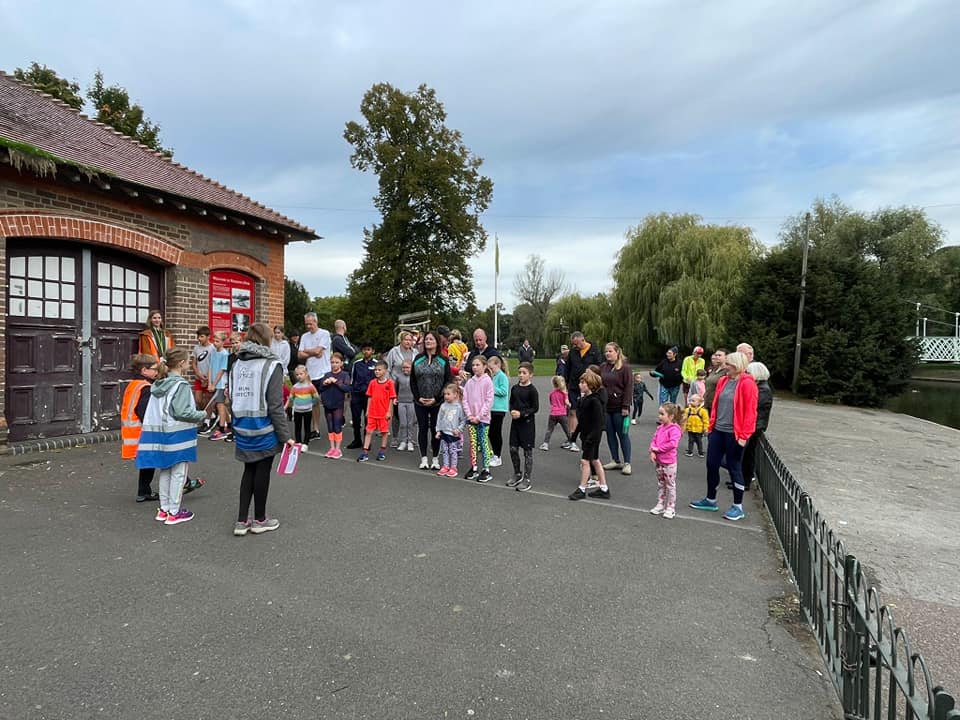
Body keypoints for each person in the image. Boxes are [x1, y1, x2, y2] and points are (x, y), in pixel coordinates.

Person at [230, 322, 294, 536]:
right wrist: (286, 437)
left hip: (241, 425)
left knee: (248, 470)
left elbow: (231, 396)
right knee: (262, 472)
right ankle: (259, 519)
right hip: (264, 427)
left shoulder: (237, 364)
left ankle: (241, 521)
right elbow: (275, 404)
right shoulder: (271, 365)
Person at [136, 347, 206, 526]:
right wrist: (201, 415)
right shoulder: (180, 385)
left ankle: (164, 508)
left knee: (165, 470)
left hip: (159, 435)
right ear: (182, 364)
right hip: (177, 436)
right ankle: (174, 511)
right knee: (179, 474)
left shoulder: (158, 384)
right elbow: (183, 412)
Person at [689, 351, 758, 522]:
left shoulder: (747, 384)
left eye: (728, 364)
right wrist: (711, 427)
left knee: (735, 467)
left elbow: (751, 412)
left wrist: (744, 436)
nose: (725, 367)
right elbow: (716, 404)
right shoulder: (723, 381)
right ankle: (711, 499)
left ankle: (738, 506)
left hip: (734, 433)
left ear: (736, 366)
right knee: (712, 464)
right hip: (718, 430)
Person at [121, 353, 161, 502]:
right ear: (144, 370)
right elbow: (144, 411)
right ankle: (185, 482)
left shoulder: (133, 385)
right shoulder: (145, 387)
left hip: (132, 431)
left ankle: (143, 491)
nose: (157, 372)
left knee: (148, 461)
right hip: (141, 431)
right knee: (158, 458)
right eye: (154, 369)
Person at [409, 330, 453, 470]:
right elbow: (412, 381)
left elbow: (448, 381)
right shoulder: (417, 359)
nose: (428, 341)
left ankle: (435, 458)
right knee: (422, 428)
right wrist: (418, 397)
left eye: (431, 339)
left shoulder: (443, 359)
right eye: (426, 339)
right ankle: (423, 458)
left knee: (436, 429)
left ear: (436, 342)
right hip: (420, 401)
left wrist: (437, 398)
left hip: (437, 402)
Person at [567, 369, 608, 500]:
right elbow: (582, 420)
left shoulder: (594, 401)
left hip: (592, 437)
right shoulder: (584, 400)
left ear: (590, 385)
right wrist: (574, 436)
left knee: (585, 461)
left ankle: (582, 488)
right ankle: (604, 488)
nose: (580, 384)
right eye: (580, 382)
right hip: (587, 435)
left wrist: (591, 438)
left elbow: (599, 423)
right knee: (595, 460)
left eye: (583, 382)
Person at [599, 342, 634, 475]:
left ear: (617, 352)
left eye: (610, 351)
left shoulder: (625, 368)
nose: (607, 353)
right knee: (610, 434)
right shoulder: (603, 367)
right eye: (606, 351)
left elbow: (629, 388)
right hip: (606, 407)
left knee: (623, 434)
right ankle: (615, 459)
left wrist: (625, 406)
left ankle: (627, 463)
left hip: (620, 408)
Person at [738, 361, 774, 491]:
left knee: (748, 454)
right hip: (754, 424)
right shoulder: (759, 387)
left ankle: (745, 481)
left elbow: (754, 405)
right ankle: (741, 479)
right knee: (745, 454)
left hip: (756, 426)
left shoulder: (763, 390)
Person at [563, 331, 602, 441]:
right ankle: (571, 437)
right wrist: (566, 383)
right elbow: (567, 368)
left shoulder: (594, 351)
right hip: (574, 385)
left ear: (582, 340)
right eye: (573, 344)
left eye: (576, 344)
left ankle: (587, 436)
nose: (575, 346)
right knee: (572, 411)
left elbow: (598, 368)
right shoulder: (573, 352)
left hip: (589, 386)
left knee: (586, 413)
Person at [298, 312, 331, 438]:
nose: (308, 326)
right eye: (306, 324)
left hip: (323, 372)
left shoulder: (324, 334)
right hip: (310, 373)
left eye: (310, 324)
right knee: (313, 403)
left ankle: (333, 428)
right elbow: (300, 355)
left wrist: (307, 351)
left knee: (327, 402)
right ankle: (315, 429)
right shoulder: (304, 336)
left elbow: (319, 351)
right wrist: (312, 352)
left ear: (316, 322)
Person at [507, 362, 539, 492]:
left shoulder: (532, 390)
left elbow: (535, 408)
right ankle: (517, 473)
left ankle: (527, 478)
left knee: (527, 452)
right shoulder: (515, 388)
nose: (521, 375)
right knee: (513, 449)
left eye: (524, 373)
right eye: (519, 372)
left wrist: (522, 413)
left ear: (530, 375)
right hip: (516, 424)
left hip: (527, 424)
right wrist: (512, 411)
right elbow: (511, 403)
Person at [462, 354, 494, 483]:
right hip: (471, 419)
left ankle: (486, 469)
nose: (475, 367)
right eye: (473, 365)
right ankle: (474, 467)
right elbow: (465, 399)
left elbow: (489, 401)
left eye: (477, 365)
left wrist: (479, 416)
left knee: (483, 443)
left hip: (483, 420)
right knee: (473, 444)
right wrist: (470, 415)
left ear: (484, 366)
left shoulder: (487, 381)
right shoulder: (469, 382)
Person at [357, 359, 396, 462]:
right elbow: (369, 397)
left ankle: (382, 451)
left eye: (379, 370)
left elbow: (391, 398)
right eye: (375, 370)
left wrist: (389, 412)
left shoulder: (390, 383)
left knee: (384, 432)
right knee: (368, 431)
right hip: (373, 413)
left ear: (385, 371)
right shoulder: (372, 383)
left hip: (383, 413)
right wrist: (368, 410)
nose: (377, 372)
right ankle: (365, 452)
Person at [649, 402, 683, 519]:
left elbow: (673, 444)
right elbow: (654, 440)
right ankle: (660, 504)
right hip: (659, 462)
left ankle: (670, 507)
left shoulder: (675, 429)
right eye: (659, 414)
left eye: (662, 414)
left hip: (669, 462)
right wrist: (653, 451)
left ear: (671, 416)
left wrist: (658, 449)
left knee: (670, 485)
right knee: (661, 484)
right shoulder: (660, 428)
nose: (659, 416)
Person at [318, 352, 351, 458]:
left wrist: (336, 381)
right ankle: (331, 448)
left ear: (341, 363)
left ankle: (338, 449)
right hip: (327, 403)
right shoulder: (327, 375)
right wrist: (325, 383)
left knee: (337, 426)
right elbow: (320, 388)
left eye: (337, 362)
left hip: (338, 404)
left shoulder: (345, 375)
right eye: (332, 362)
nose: (334, 364)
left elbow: (347, 388)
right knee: (330, 426)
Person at [348, 342, 378, 449]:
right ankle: (357, 440)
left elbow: (378, 381)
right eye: (364, 349)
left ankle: (367, 441)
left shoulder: (376, 364)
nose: (366, 351)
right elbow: (352, 379)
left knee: (368, 419)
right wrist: (350, 394)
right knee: (356, 419)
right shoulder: (356, 364)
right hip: (356, 395)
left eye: (369, 349)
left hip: (369, 397)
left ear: (373, 351)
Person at [435, 383, 467, 477]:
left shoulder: (458, 407)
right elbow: (439, 419)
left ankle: (453, 467)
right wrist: (438, 430)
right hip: (444, 433)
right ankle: (445, 466)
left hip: (453, 434)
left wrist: (459, 429)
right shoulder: (443, 406)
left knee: (453, 451)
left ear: (455, 394)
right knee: (444, 450)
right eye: (445, 394)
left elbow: (463, 420)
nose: (446, 396)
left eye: (448, 394)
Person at [287, 364, 319, 450]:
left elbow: (316, 397)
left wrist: (312, 404)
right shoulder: (295, 387)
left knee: (307, 427)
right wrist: (290, 405)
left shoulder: (310, 386)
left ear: (306, 374)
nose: (299, 376)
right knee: (297, 427)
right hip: (297, 410)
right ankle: (298, 442)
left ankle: (305, 443)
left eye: (301, 374)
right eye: (297, 375)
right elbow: (291, 398)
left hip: (308, 410)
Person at [206, 332, 231, 441]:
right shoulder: (213, 352)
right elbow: (210, 368)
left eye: (217, 341)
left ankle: (221, 429)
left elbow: (221, 371)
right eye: (214, 341)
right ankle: (230, 424)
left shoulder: (225, 354)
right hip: (214, 383)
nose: (215, 343)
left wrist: (214, 384)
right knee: (221, 406)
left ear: (223, 342)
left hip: (221, 383)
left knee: (220, 406)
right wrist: (209, 383)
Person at [488, 355, 509, 468]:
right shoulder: (493, 377)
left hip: (499, 409)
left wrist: (492, 388)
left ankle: (498, 456)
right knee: (491, 432)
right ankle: (494, 453)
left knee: (496, 432)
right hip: (491, 408)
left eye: (492, 368)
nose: (490, 370)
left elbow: (504, 391)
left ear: (498, 365)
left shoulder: (502, 376)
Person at [540, 375, 572, 450]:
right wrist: (569, 406)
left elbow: (551, 402)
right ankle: (571, 441)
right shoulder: (564, 394)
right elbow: (567, 403)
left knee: (550, 429)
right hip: (562, 414)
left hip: (553, 413)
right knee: (566, 429)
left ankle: (545, 443)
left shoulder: (552, 393)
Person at [192, 326, 215, 431]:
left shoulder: (213, 348)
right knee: (198, 400)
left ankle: (207, 421)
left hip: (209, 379)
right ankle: (212, 415)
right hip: (199, 378)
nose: (199, 339)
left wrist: (207, 380)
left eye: (201, 336)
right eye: (198, 336)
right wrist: (199, 375)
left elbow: (214, 365)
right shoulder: (197, 348)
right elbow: (194, 363)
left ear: (208, 337)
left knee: (208, 400)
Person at [393, 359, 417, 452]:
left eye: (407, 367)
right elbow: (395, 389)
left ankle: (410, 441)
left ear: (412, 368)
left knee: (410, 423)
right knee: (403, 423)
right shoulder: (399, 377)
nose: (405, 369)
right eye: (403, 367)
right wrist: (395, 398)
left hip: (411, 402)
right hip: (401, 402)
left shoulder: (415, 378)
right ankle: (403, 441)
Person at [703, 348, 728, 413]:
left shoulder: (727, 371)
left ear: (726, 357)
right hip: (707, 403)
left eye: (719, 355)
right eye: (716, 355)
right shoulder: (714, 369)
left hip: (718, 405)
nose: (717, 357)